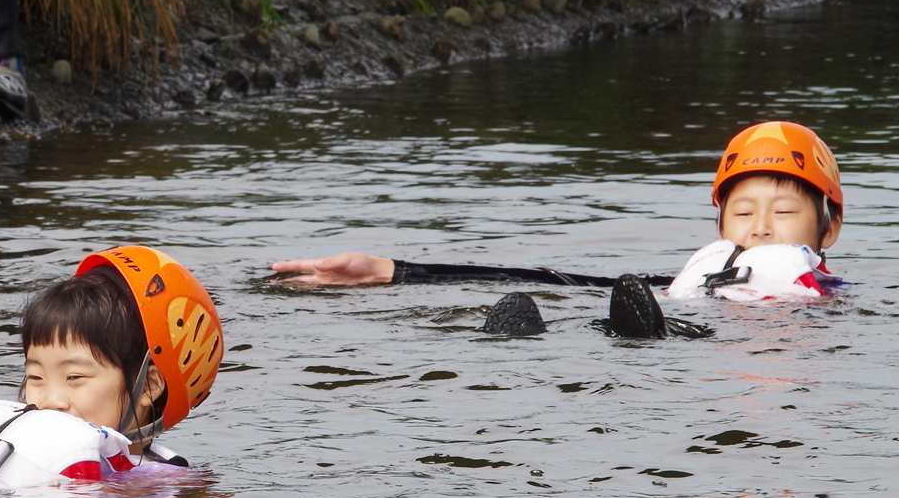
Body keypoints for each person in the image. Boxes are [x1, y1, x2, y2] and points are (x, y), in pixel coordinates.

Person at [269, 121, 845, 339]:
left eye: (785, 213)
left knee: (643, 328)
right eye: (744, 214)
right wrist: (388, 271)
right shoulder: (697, 277)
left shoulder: (831, 304)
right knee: (594, 307)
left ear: (829, 229)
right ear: (720, 225)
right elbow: (559, 277)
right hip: (677, 330)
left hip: (687, 346)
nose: (762, 229)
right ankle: (516, 341)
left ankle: (641, 335)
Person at [0, 245, 225, 489]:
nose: (50, 401)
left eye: (74, 377)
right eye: (35, 377)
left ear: (148, 386)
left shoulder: (161, 486)